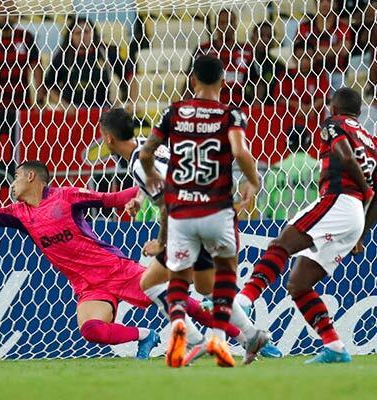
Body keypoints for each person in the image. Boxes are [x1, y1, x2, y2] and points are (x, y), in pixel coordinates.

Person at [0, 157, 236, 360]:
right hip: (86, 284)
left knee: (181, 305)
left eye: (14, 177)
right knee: (92, 329)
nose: (10, 184)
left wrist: (145, 193)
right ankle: (145, 337)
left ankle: (243, 336)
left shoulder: (66, 196)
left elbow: (112, 198)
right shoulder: (18, 214)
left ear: (30, 178)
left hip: (115, 268)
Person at [99, 108, 282, 363]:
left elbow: (166, 203)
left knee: (152, 283)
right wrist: (139, 198)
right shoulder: (146, 147)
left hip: (190, 219)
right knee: (205, 285)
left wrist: (161, 243)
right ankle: (250, 336)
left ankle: (199, 340)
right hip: (211, 209)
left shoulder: (139, 164)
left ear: (108, 138)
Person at [139, 55, 267, 368]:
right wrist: (254, 180)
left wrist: (153, 174)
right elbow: (239, 151)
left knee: (179, 278)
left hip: (181, 211)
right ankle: (221, 340)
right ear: (223, 83)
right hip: (217, 209)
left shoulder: (173, 112)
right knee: (224, 275)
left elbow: (147, 153)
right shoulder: (230, 114)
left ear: (192, 80)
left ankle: (180, 325)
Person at [235, 88, 377, 364]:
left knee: (281, 244)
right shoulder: (372, 141)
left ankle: (244, 300)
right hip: (355, 215)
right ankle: (334, 346)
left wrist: (363, 188)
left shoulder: (333, 124)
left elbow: (345, 155)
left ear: (333, 109)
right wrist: (361, 232)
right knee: (299, 284)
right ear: (359, 112)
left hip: (338, 199)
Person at [44, 16, 112, 112]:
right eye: (78, 33)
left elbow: (130, 75)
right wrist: (64, 105)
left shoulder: (105, 52)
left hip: (102, 110)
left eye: (86, 32)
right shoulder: (63, 56)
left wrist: (130, 102)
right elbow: (49, 86)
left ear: (93, 33)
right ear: (71, 36)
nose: (83, 36)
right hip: (73, 111)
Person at [187, 9, 252, 107]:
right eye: (222, 23)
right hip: (210, 105)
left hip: (240, 106)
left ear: (235, 25)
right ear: (216, 26)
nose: (226, 27)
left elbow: (257, 80)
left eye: (230, 23)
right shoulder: (204, 50)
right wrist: (187, 103)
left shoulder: (247, 50)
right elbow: (191, 79)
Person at [261, 126, 320, 220]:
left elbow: (266, 205)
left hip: (281, 225)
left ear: (286, 144)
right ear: (309, 143)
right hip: (313, 223)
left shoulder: (277, 169)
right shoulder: (319, 168)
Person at [294, 0, 353, 92]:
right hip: (310, 74)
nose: (325, 4)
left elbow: (344, 50)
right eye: (321, 1)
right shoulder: (304, 26)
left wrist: (313, 50)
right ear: (315, 4)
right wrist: (333, 50)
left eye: (329, 1)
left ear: (336, 4)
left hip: (335, 73)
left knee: (340, 101)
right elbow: (297, 51)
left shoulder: (342, 26)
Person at [274, 43, 330, 121]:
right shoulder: (287, 75)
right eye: (300, 57)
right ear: (294, 57)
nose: (304, 61)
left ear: (314, 58)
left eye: (308, 57)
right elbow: (280, 98)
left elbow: (324, 97)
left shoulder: (320, 75)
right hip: (290, 121)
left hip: (314, 121)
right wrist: (297, 105)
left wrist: (312, 106)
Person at [245, 22, 286, 106]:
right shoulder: (243, 62)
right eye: (261, 36)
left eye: (269, 37)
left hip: (269, 113)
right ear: (252, 38)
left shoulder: (279, 66)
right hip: (244, 110)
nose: (265, 40)